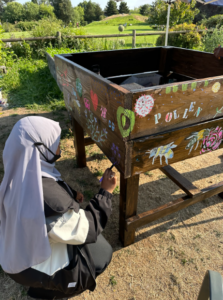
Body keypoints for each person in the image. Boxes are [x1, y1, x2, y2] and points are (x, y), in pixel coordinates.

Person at [0, 116, 117, 300]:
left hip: (14, 253)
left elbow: (52, 184)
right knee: (102, 253)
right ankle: (51, 289)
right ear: (39, 149)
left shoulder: (18, 173)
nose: (60, 149)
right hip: (28, 267)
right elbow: (88, 229)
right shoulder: (49, 204)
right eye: (55, 143)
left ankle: (43, 284)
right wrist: (105, 192)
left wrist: (70, 193)